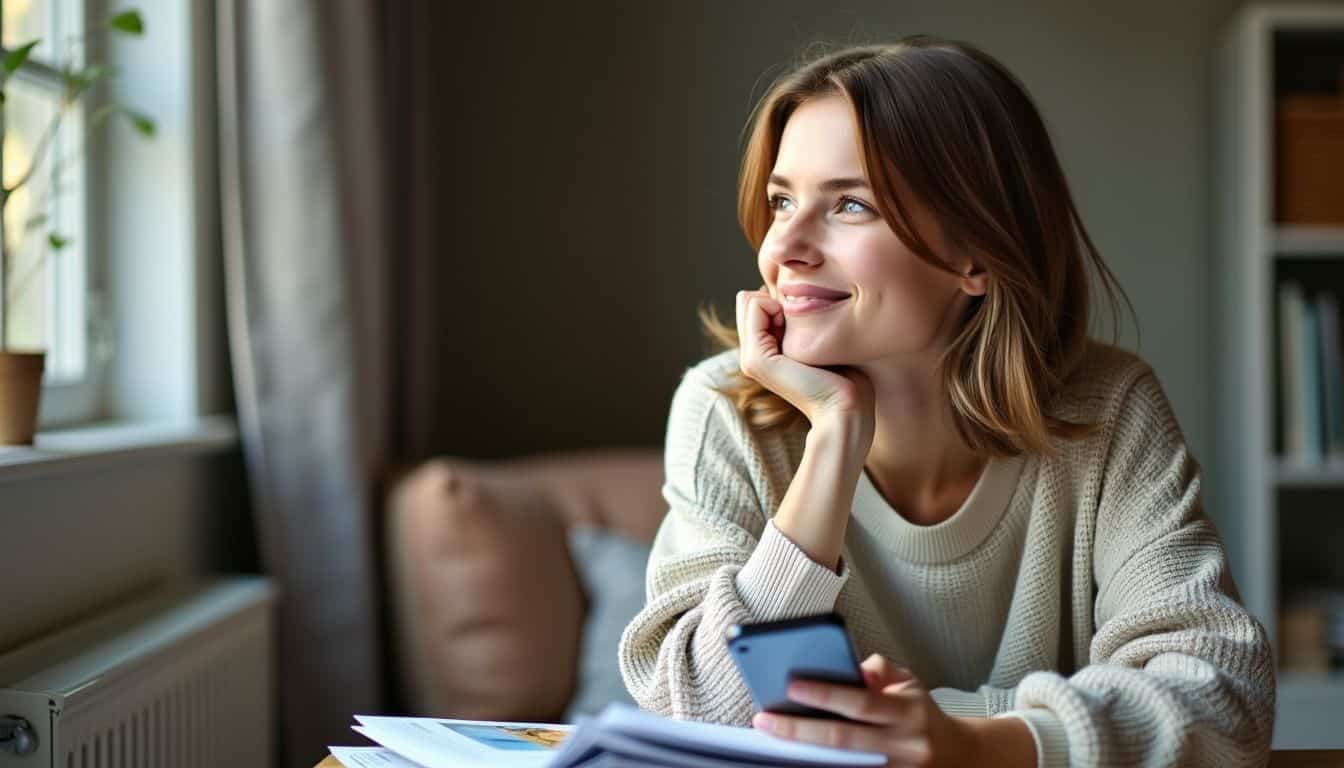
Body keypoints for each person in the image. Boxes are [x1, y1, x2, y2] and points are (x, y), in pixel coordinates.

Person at [617, 35, 1274, 768]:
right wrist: (834, 440)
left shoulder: (1110, 412)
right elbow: (698, 713)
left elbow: (1223, 701)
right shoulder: (723, 410)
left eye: (850, 205)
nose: (786, 247)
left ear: (976, 253)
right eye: (781, 200)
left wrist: (971, 743)